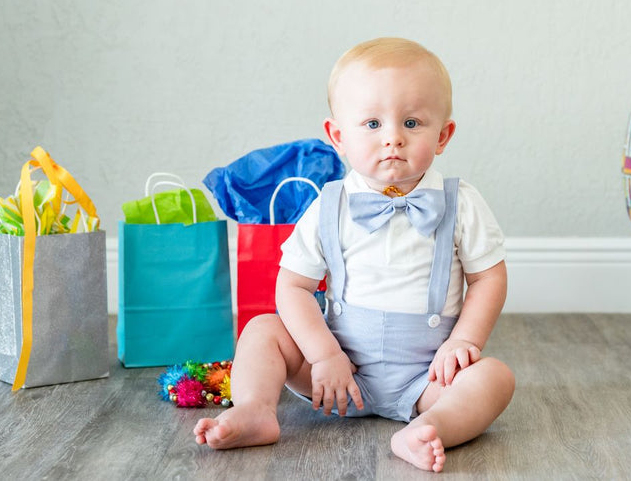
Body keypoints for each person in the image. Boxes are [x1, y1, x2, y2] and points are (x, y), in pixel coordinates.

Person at [194, 37, 514, 473]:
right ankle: (255, 409)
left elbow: (488, 278)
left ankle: (431, 426)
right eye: (372, 125)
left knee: (495, 378)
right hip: (337, 375)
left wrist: (463, 341)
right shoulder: (330, 204)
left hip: (427, 378)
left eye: (413, 123)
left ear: (443, 136)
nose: (393, 139)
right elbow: (293, 285)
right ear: (338, 137)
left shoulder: (461, 203)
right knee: (263, 329)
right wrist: (323, 355)